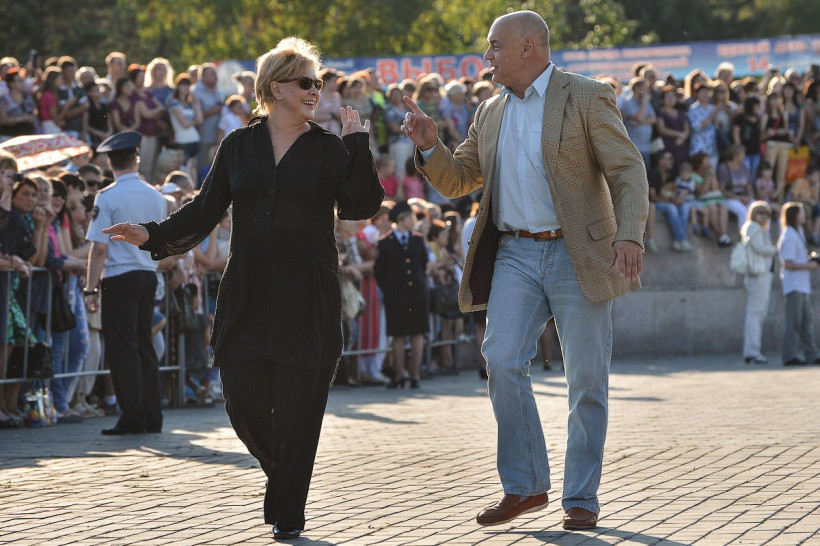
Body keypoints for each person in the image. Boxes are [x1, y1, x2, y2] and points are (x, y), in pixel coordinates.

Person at [99, 37, 383, 539]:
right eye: (306, 82)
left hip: (308, 298)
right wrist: (153, 234)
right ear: (275, 87)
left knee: (299, 414)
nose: (316, 91)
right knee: (243, 402)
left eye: (318, 83)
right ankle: (288, 478)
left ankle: (288, 512)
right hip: (248, 293)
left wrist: (357, 144)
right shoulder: (237, 145)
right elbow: (203, 210)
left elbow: (360, 206)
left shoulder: (329, 148)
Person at [401, 11, 648, 531]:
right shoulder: (489, 110)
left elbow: (627, 169)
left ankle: (581, 497)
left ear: (529, 47)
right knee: (501, 358)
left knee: (587, 381)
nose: (486, 56)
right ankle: (526, 484)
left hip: (578, 252)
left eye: (495, 46)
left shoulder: (586, 96)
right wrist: (428, 145)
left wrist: (629, 234)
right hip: (514, 253)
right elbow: (459, 179)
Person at [83, 130, 169, 435]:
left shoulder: (107, 196)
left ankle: (133, 416)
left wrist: (90, 288)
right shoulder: (156, 195)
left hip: (120, 277)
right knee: (145, 346)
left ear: (110, 163)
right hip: (148, 274)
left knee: (123, 349)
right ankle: (152, 416)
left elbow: (99, 247)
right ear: (136, 159)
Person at [374, 201, 428, 389]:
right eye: (410, 218)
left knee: (417, 333)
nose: (413, 221)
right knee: (398, 335)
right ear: (402, 219)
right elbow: (380, 270)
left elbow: (423, 264)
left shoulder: (417, 240)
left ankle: (415, 375)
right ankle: (398, 375)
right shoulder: (385, 242)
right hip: (396, 295)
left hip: (416, 293)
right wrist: (389, 288)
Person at [776, 201, 820, 366]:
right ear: (794, 215)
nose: (804, 215)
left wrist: (810, 259)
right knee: (793, 323)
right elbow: (787, 263)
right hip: (794, 285)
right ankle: (789, 356)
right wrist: (810, 266)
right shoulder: (789, 236)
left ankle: (812, 354)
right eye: (801, 212)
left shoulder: (798, 232)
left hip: (802, 285)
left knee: (807, 322)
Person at [739, 201, 776, 365]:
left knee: (758, 313)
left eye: (767, 214)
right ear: (753, 214)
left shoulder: (756, 228)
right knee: (756, 313)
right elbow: (760, 248)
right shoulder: (753, 227)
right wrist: (775, 249)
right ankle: (752, 352)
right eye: (760, 213)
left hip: (761, 275)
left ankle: (753, 351)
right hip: (758, 275)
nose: (764, 217)